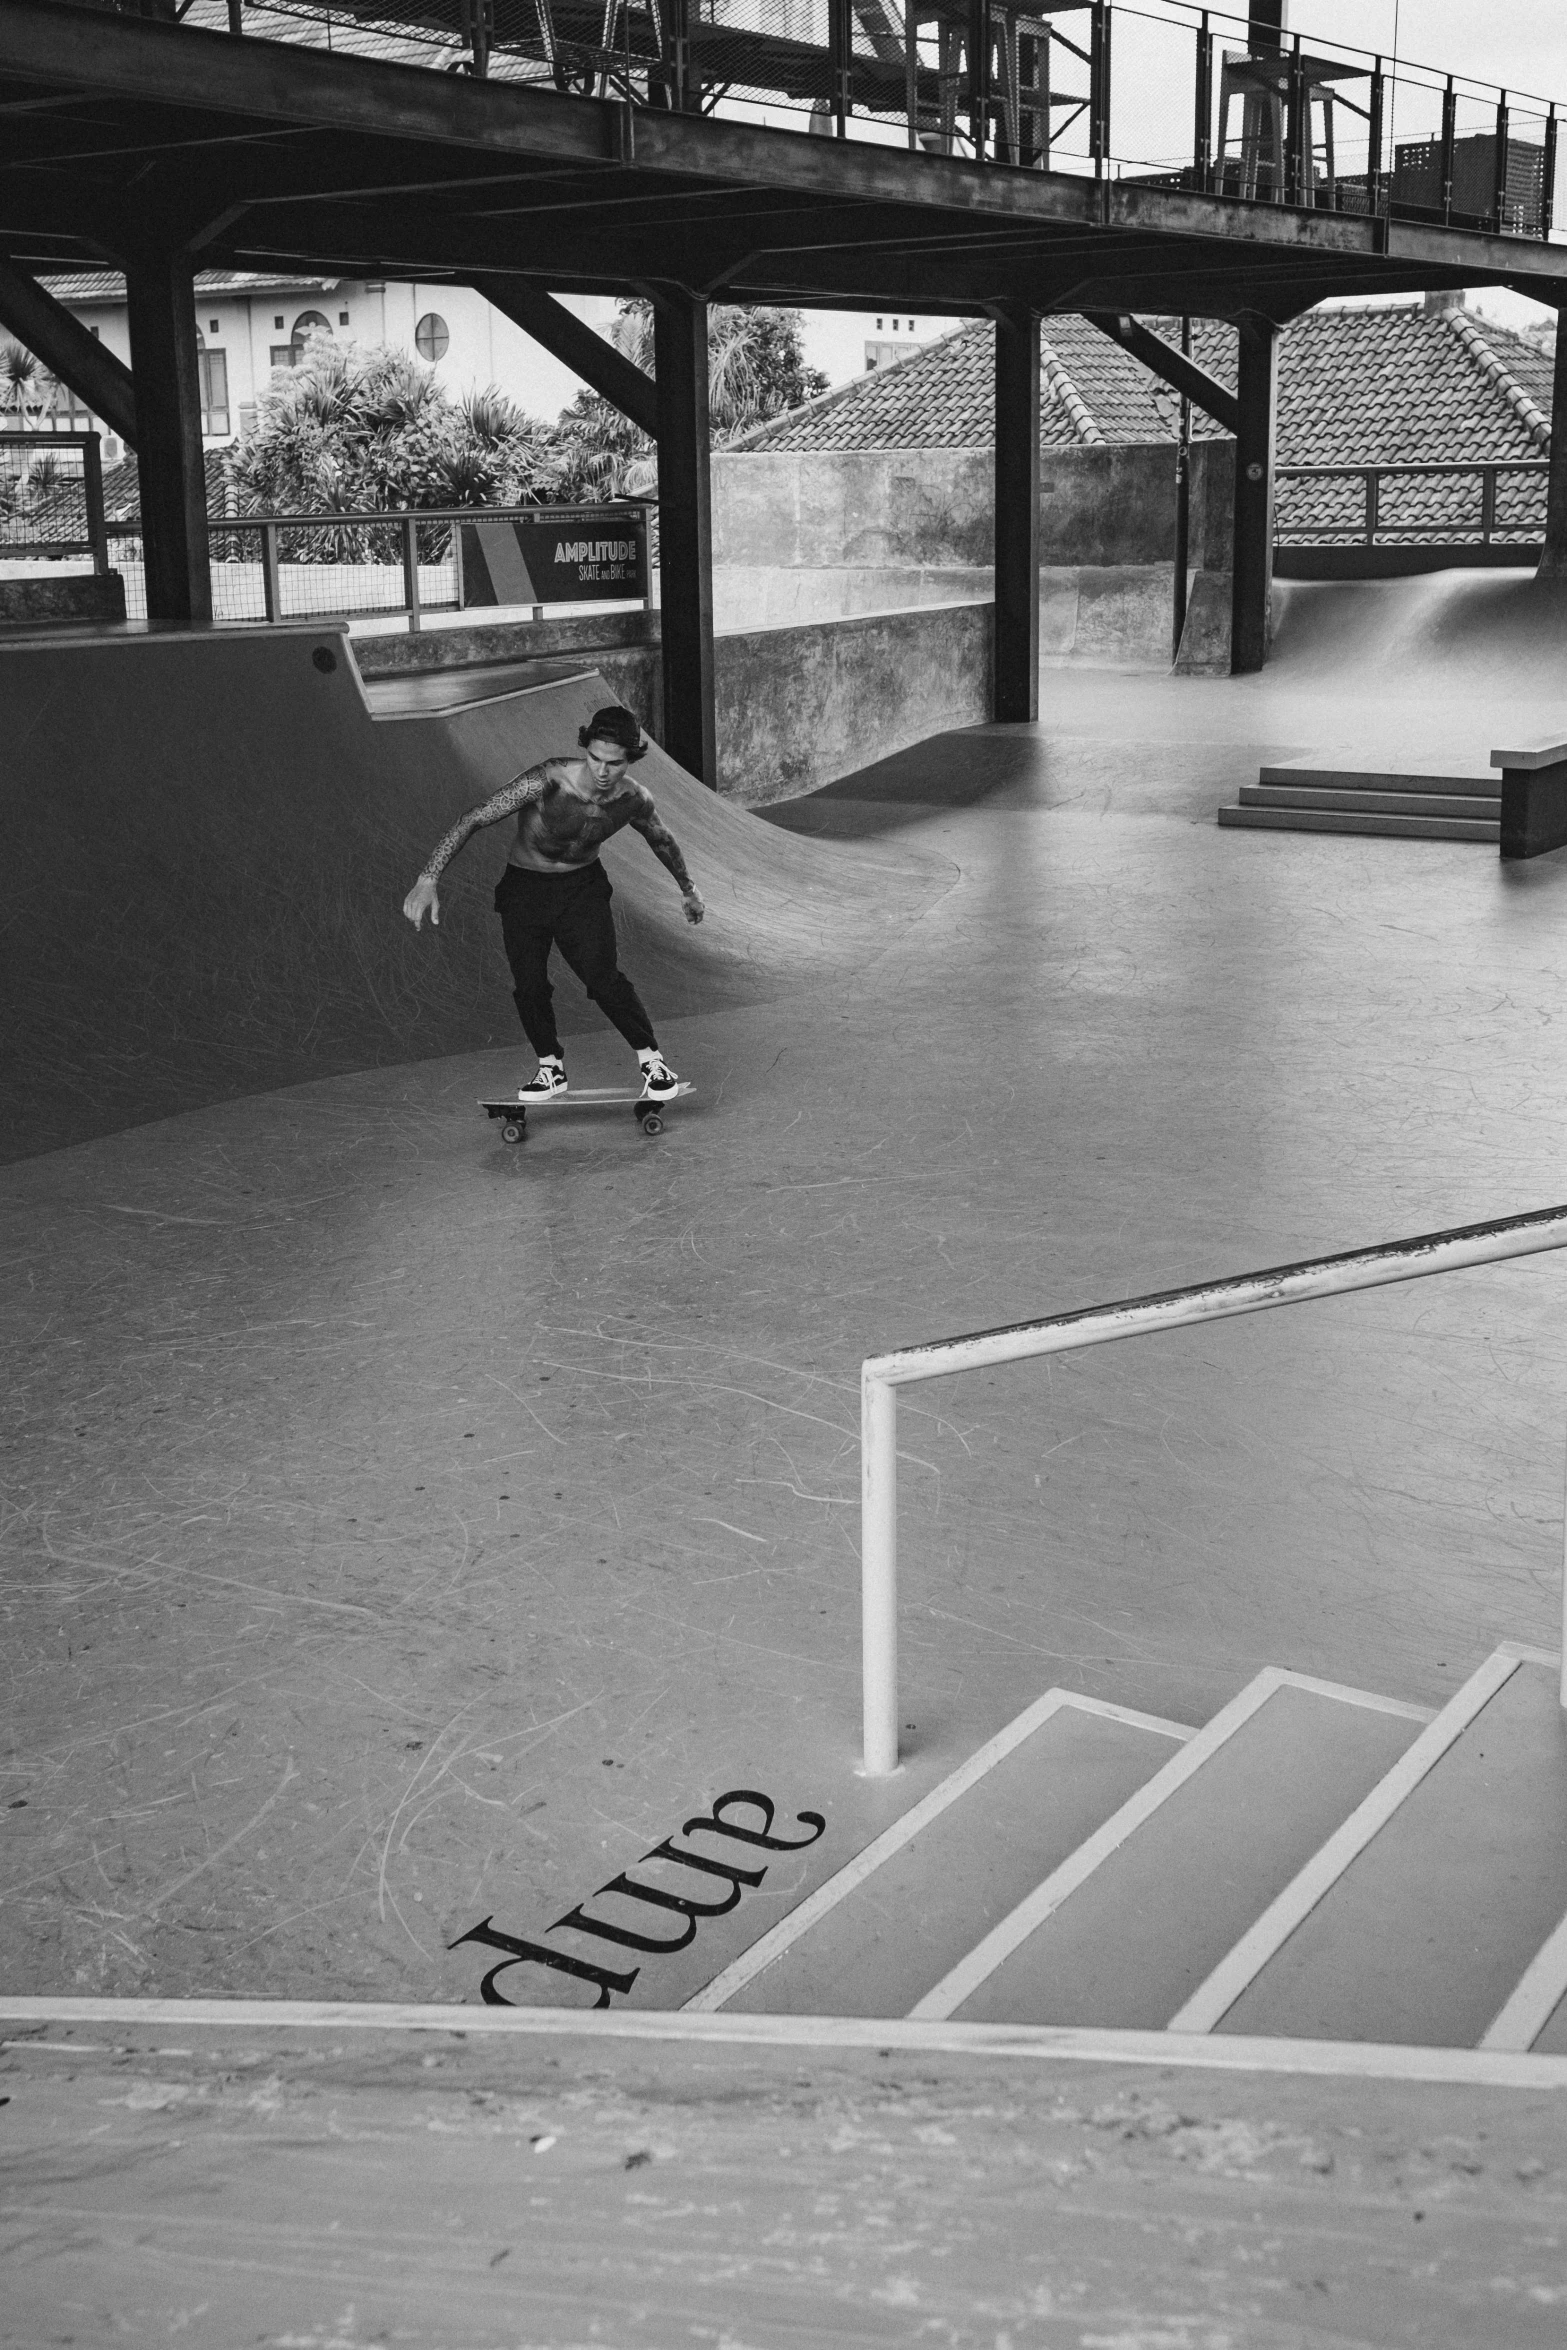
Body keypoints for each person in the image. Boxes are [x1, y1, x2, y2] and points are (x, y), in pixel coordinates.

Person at [402, 704, 704, 1101]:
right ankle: (550, 1069)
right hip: (525, 889)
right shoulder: (547, 781)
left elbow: (661, 838)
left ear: (630, 759)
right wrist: (429, 876)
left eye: (613, 763)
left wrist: (688, 888)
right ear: (585, 749)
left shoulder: (634, 800)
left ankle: (652, 1060)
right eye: (594, 757)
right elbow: (476, 816)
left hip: (582, 889)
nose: (601, 770)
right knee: (529, 985)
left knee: (603, 976)